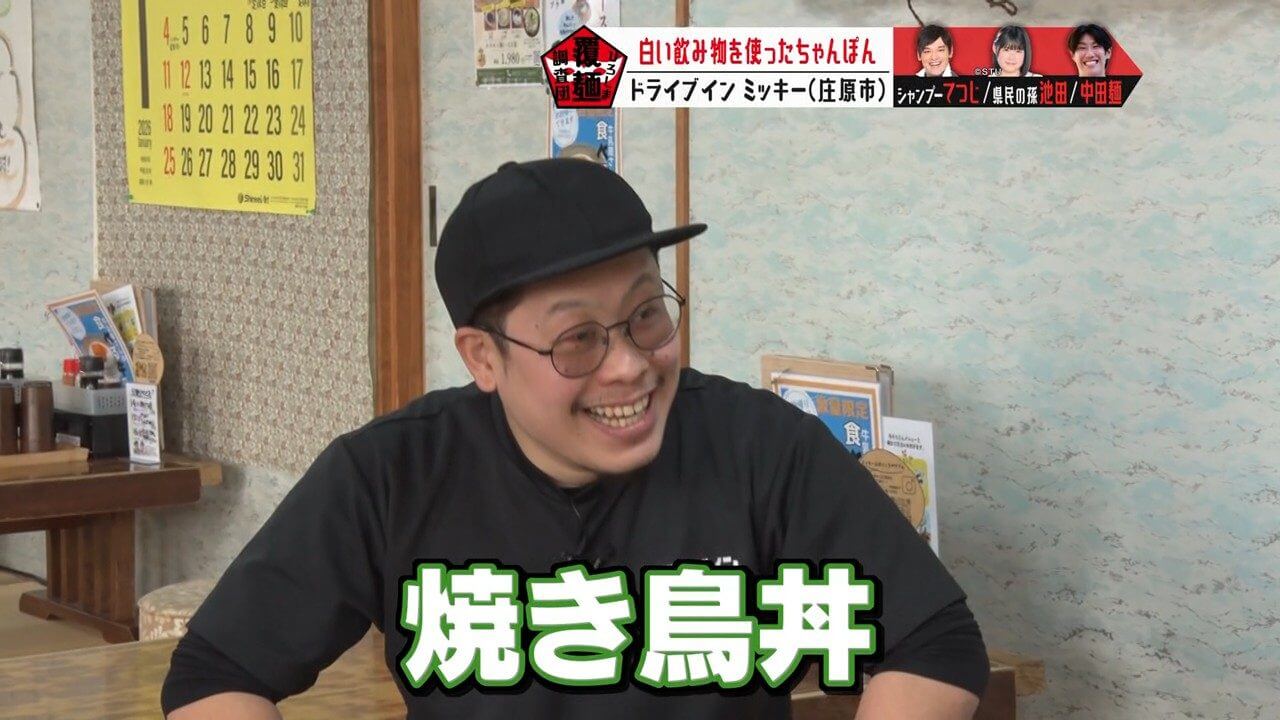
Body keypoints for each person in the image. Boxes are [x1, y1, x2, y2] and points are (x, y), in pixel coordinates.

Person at [161, 159, 989, 719]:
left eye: (646, 315)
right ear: (483, 358)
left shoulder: (761, 448)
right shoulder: (390, 474)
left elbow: (934, 644)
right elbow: (215, 675)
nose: (629, 366)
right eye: (577, 340)